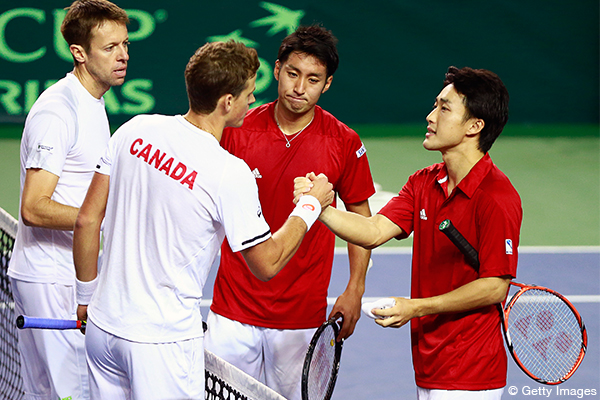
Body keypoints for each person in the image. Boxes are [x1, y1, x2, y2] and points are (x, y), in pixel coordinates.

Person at [72, 40, 333, 400]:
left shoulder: (135, 129)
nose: (253, 101)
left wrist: (85, 298)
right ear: (227, 102)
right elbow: (268, 263)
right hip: (160, 342)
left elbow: (87, 220)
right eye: (248, 94)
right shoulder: (227, 171)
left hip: (103, 329)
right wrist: (310, 206)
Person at [296, 66, 522, 399]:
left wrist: (416, 308)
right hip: (429, 364)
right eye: (436, 104)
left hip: (472, 372)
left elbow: (494, 287)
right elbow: (372, 230)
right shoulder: (424, 182)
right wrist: (319, 207)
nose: (431, 116)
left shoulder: (496, 197)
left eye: (445, 108)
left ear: (475, 126)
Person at [204, 25, 375, 400]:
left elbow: (361, 218)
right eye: (293, 74)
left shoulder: (343, 142)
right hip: (232, 311)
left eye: (313, 79)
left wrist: (355, 288)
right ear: (277, 69)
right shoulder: (236, 129)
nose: (299, 88)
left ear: (327, 84)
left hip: (301, 318)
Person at [8, 1, 129, 399]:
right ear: (79, 52)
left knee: (49, 394)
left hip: (62, 274)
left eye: (125, 44)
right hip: (52, 279)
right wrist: (101, 220)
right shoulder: (58, 112)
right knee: (71, 392)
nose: (123, 55)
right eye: (110, 47)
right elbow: (33, 207)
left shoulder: (92, 101)